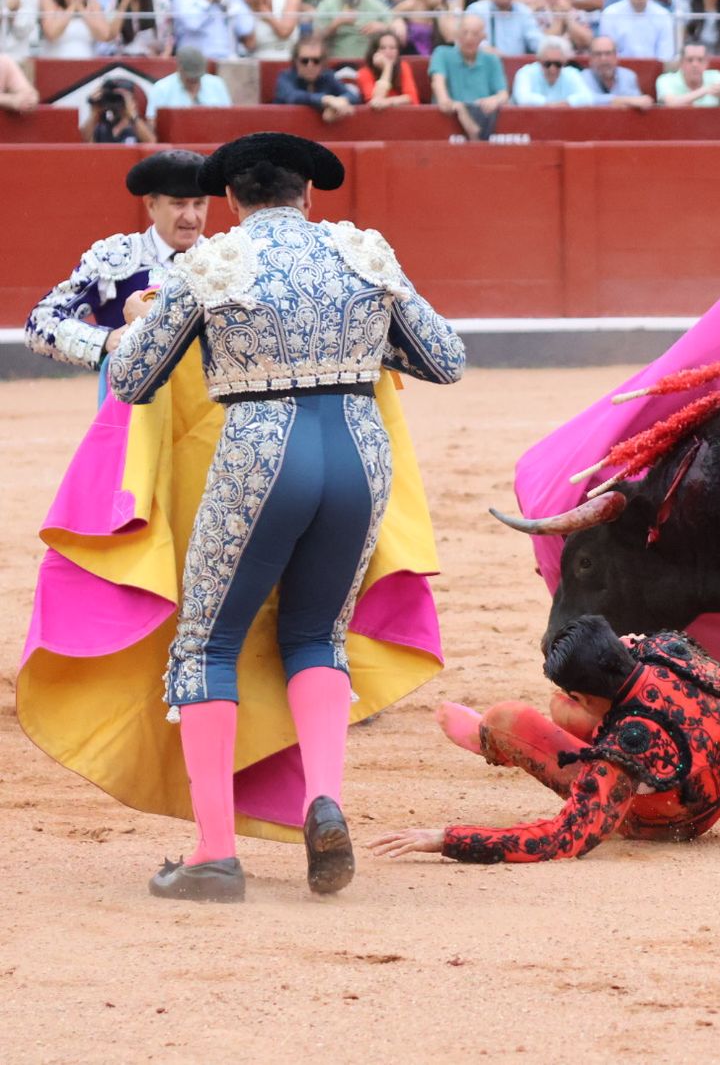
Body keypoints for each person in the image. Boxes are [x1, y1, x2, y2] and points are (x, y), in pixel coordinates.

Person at [107, 132, 465, 902]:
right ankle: (323, 799)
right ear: (310, 193)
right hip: (360, 452)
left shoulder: (212, 262)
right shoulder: (363, 253)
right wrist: (359, 336)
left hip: (261, 452)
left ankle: (214, 853)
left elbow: (133, 378)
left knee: (207, 643)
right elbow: (445, 359)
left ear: (232, 199)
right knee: (316, 633)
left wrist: (142, 318)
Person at [368, 618, 720, 863]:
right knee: (562, 708)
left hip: (670, 823)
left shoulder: (627, 745)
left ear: (585, 696)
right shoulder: (667, 648)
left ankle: (492, 740)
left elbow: (563, 838)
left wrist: (448, 839)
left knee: (509, 720)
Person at [25, 150, 207, 401]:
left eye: (199, 204)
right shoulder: (117, 258)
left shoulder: (221, 260)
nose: (191, 216)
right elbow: (40, 321)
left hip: (204, 414)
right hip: (132, 410)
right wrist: (104, 340)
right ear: (151, 205)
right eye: (179, 204)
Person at [429, 13, 508, 137]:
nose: (469, 38)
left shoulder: (492, 60)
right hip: (449, 124)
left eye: (475, 34)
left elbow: (503, 94)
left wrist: (495, 100)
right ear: (457, 34)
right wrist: (455, 106)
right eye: (464, 33)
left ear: (483, 37)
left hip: (485, 119)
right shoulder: (441, 54)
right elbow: (440, 91)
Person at [274, 34, 361, 120]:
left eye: (316, 61)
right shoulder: (285, 77)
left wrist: (337, 104)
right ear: (296, 61)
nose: (310, 65)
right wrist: (326, 100)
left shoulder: (327, 77)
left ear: (323, 62)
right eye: (304, 61)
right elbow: (292, 97)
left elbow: (353, 96)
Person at [145, 44, 232, 118]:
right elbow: (153, 122)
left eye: (197, 76)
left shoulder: (217, 84)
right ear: (179, 67)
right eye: (190, 76)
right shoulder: (161, 88)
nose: (194, 79)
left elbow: (228, 117)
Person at [312, 0, 401, 59]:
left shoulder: (375, 5)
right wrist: (336, 23)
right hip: (336, 63)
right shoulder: (328, 4)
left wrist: (383, 28)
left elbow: (399, 35)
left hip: (368, 63)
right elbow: (316, 38)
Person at [581, 33, 653, 108]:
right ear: (590, 58)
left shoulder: (628, 76)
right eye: (598, 54)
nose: (603, 59)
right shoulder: (582, 77)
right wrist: (620, 100)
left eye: (608, 53)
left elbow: (639, 102)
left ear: (616, 56)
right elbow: (585, 100)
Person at [511, 39, 594, 103]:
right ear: (539, 60)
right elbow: (522, 99)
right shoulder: (526, 72)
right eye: (547, 64)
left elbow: (588, 98)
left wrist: (564, 103)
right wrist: (551, 105)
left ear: (564, 62)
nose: (552, 68)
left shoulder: (571, 73)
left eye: (558, 64)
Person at [81, 74, 157, 141]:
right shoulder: (101, 128)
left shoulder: (138, 127)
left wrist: (132, 115)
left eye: (120, 98)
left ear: (132, 101)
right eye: (112, 98)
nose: (117, 103)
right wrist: (94, 112)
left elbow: (151, 142)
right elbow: (83, 141)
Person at [170, 0, 254, 58]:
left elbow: (246, 27)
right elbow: (192, 23)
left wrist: (227, 3)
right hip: (196, 62)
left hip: (227, 60)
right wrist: (207, 1)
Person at [656, 41, 720, 105]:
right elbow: (671, 103)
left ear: (706, 63)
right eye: (690, 60)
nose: (695, 65)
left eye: (700, 60)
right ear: (681, 63)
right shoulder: (665, 80)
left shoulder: (716, 76)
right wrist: (704, 90)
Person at [596, 0, 674, 59]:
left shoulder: (663, 15)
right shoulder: (610, 13)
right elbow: (607, 51)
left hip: (655, 70)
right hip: (618, 71)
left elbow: (665, 55)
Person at [358, 29, 419, 104]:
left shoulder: (403, 66)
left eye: (392, 48)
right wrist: (387, 67)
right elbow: (376, 102)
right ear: (374, 52)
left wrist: (388, 102)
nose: (388, 52)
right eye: (382, 48)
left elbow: (412, 99)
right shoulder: (364, 73)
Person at [38, 0, 115, 57]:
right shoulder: (50, 1)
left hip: (87, 65)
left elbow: (105, 35)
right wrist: (73, 6)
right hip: (56, 65)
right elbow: (51, 33)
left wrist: (82, 10)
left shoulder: (92, 3)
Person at [463, 0, 542, 53]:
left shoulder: (524, 11)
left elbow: (535, 40)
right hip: (485, 65)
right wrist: (484, 49)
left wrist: (546, 48)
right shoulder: (476, 10)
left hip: (516, 66)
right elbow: (465, 38)